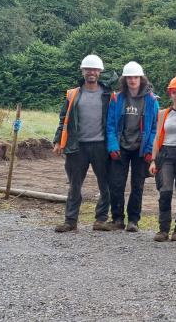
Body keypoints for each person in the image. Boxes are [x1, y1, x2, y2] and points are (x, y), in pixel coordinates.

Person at [52, 54, 113, 233]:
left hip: (102, 146)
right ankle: (70, 221)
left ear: (100, 72)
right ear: (83, 71)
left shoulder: (109, 94)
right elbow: (63, 118)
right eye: (88, 69)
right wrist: (57, 140)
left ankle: (101, 220)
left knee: (105, 184)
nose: (91, 72)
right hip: (76, 146)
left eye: (94, 69)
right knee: (75, 185)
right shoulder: (73, 94)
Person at [106, 61, 159, 232]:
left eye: (135, 77)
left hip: (140, 149)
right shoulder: (117, 98)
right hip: (120, 148)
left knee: (138, 186)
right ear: (124, 79)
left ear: (141, 78)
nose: (132, 80)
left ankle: (133, 220)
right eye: (129, 77)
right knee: (116, 184)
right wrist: (113, 146)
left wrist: (149, 150)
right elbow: (111, 125)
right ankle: (117, 219)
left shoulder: (151, 100)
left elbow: (154, 128)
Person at [149, 76, 176, 242]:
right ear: (170, 94)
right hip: (165, 154)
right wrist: (153, 159)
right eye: (175, 92)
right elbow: (158, 136)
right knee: (165, 191)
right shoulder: (163, 114)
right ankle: (163, 229)